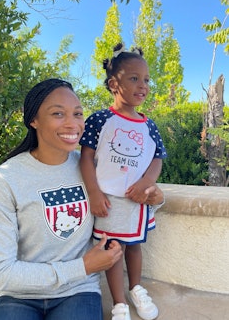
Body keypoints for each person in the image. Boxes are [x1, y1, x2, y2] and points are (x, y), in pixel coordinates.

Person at [0, 78, 123, 320]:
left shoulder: (91, 168)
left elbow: (126, 194)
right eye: (58, 113)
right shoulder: (4, 179)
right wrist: (82, 267)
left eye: (78, 114)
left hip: (78, 291)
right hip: (18, 296)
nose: (73, 123)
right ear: (33, 120)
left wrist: (154, 197)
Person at [80, 43, 167, 320]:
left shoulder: (148, 124)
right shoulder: (100, 120)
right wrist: (93, 193)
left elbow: (157, 157)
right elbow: (86, 159)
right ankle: (119, 302)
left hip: (137, 202)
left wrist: (146, 183)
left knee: (134, 245)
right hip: (108, 201)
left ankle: (136, 288)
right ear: (113, 83)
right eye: (134, 78)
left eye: (146, 80)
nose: (143, 85)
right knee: (113, 249)